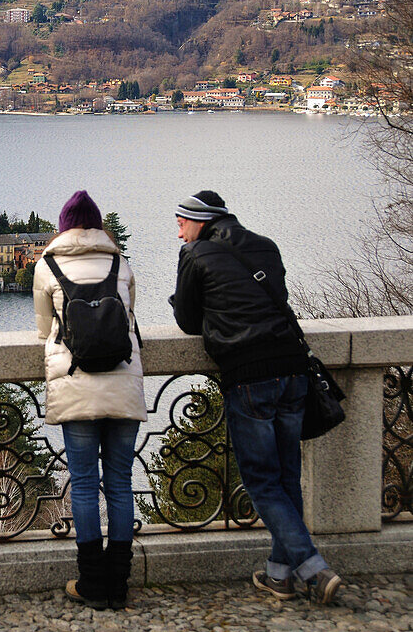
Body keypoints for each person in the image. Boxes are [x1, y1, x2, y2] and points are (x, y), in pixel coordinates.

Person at [170, 190, 341, 604]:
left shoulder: (196, 254)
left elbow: (189, 321)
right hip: (292, 369)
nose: (178, 233)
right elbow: (275, 300)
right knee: (286, 477)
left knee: (262, 481)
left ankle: (315, 570)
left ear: (200, 222)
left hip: (249, 375)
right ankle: (280, 575)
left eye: (181, 223)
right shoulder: (266, 246)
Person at [33, 190, 145, 610]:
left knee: (83, 484)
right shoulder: (121, 263)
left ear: (63, 228)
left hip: (76, 384)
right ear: (99, 227)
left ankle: (91, 581)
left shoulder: (48, 266)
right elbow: (131, 319)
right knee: (119, 481)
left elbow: (44, 332)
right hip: (123, 382)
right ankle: (119, 580)